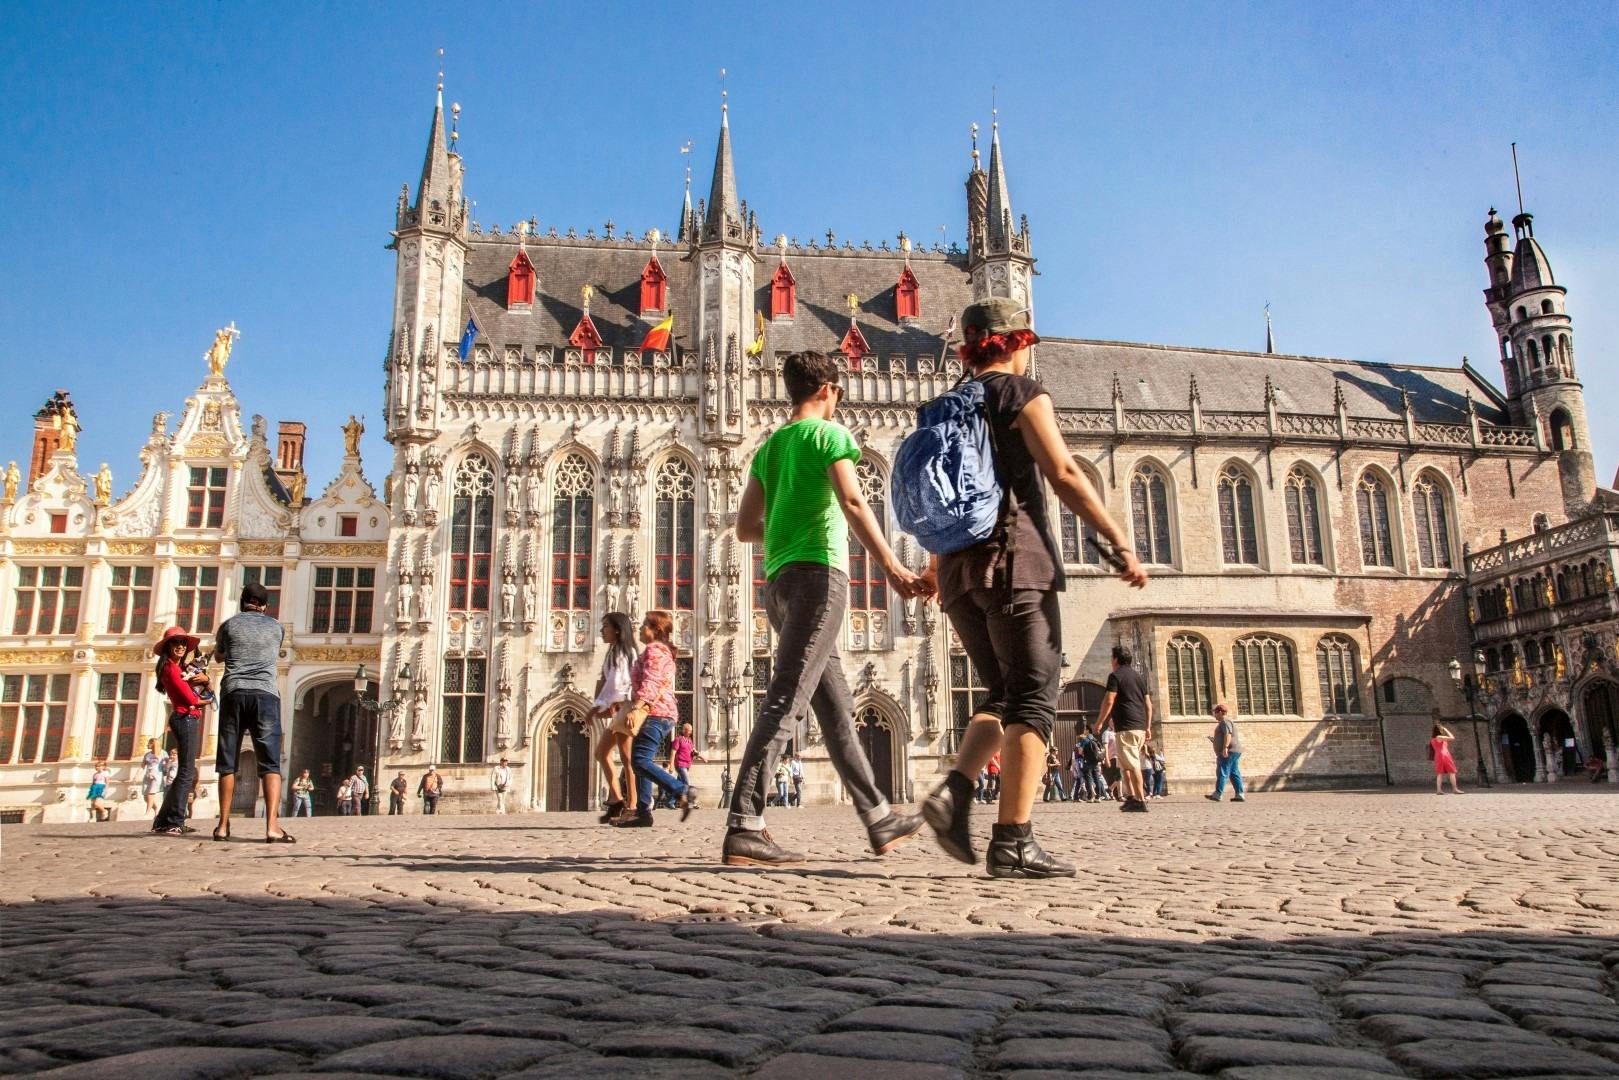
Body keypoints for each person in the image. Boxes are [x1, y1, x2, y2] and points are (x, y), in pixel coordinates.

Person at [919, 298, 1148, 876]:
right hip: (1014, 563)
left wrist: (932, 567)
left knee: (1000, 693)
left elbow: (935, 492)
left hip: (957, 572)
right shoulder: (1021, 394)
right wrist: (1118, 538)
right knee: (1034, 701)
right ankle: (1013, 840)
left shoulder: (941, 406)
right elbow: (1064, 471)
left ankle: (954, 794)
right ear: (1017, 342)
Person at [726, 351, 926, 865]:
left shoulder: (768, 450)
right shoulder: (831, 437)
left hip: (778, 585)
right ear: (828, 390)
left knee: (835, 708)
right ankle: (746, 820)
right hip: (821, 577)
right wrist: (892, 568)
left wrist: (786, 522)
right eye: (838, 392)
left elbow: (746, 527)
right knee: (787, 698)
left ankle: (879, 817)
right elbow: (855, 503)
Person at [214, 581, 293, 843]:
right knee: (270, 762)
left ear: (242, 602)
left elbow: (219, 656)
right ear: (265, 605)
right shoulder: (276, 627)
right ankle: (272, 826)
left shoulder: (229, 625)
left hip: (234, 692)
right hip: (265, 694)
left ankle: (223, 825)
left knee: (227, 762)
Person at [611, 611, 696, 827]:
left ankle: (682, 790)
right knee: (639, 761)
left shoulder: (655, 651)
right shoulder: (659, 651)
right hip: (659, 713)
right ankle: (643, 812)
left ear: (655, 631)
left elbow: (652, 682)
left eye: (644, 626)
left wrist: (636, 707)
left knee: (639, 761)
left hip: (656, 713)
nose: (640, 629)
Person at [150, 626, 209, 836]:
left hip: (184, 718)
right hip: (185, 718)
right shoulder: (171, 669)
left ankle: (162, 821)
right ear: (168, 647)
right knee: (186, 772)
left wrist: (203, 679)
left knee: (183, 773)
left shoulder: (178, 667)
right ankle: (175, 820)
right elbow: (191, 699)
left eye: (183, 643)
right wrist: (208, 697)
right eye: (176, 643)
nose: (181, 647)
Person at [590, 613, 638, 823]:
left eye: (605, 627)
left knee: (628, 760)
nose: (602, 630)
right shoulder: (614, 652)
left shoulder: (625, 652)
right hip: (619, 708)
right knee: (601, 753)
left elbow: (618, 684)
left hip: (626, 708)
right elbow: (608, 681)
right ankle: (617, 799)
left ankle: (632, 807)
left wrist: (598, 706)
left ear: (617, 630)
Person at [1094, 646, 1153, 814]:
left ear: (1115, 660)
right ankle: (1132, 797)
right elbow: (1148, 704)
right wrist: (1147, 726)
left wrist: (1099, 722)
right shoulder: (1139, 678)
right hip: (1139, 727)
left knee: (1132, 764)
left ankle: (1140, 800)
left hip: (1126, 726)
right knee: (1126, 765)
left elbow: (1109, 699)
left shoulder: (1115, 676)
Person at [1207, 703, 1246, 802]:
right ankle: (1240, 794)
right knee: (1233, 772)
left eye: (1215, 713)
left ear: (1220, 712)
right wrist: (1215, 740)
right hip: (1234, 750)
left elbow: (1228, 734)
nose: (1214, 715)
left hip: (1229, 751)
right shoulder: (1225, 721)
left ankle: (1218, 794)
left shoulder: (1225, 721)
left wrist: (1225, 747)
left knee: (1222, 771)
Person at [668, 723, 704, 805]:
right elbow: (673, 752)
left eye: (691, 731)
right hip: (680, 764)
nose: (690, 733)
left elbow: (694, 751)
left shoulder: (689, 740)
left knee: (679, 785)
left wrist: (703, 758)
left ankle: (670, 801)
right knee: (686, 783)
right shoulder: (678, 739)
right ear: (684, 730)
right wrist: (671, 765)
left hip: (687, 765)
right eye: (689, 731)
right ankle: (690, 802)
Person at [1431, 722, 1462, 794]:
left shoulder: (1433, 739)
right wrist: (1446, 729)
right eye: (1442, 729)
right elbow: (1452, 737)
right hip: (1444, 755)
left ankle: (1439, 790)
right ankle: (1455, 789)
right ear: (1439, 730)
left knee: (1439, 773)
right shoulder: (1440, 737)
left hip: (1438, 756)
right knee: (1452, 772)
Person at [140, 739, 164, 815]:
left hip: (156, 776)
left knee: (150, 794)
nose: (147, 745)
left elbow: (167, 763)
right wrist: (136, 776)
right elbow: (142, 766)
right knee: (145, 796)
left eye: (149, 743)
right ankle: (155, 808)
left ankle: (147, 813)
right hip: (148, 776)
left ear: (153, 744)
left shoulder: (162, 753)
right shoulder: (147, 754)